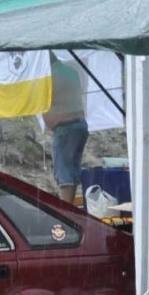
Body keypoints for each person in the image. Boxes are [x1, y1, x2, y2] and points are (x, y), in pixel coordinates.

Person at [45, 56, 89, 203]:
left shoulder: (48, 77)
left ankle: (65, 209)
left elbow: (42, 102)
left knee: (64, 173)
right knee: (73, 170)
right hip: (80, 125)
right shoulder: (70, 71)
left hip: (65, 127)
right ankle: (70, 206)